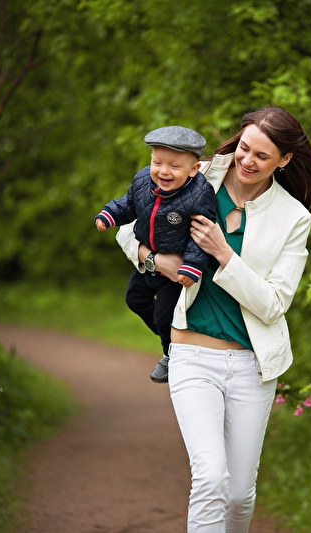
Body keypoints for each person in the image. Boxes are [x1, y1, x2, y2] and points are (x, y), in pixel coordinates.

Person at [115, 106, 311, 532]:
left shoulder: (293, 217)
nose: (247, 160)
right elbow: (128, 227)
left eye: (262, 156)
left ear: (284, 160)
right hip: (191, 355)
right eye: (244, 148)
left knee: (239, 494)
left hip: (252, 366)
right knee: (211, 478)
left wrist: (223, 253)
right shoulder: (196, 175)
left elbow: (273, 304)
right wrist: (156, 262)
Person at [95, 125, 217, 383]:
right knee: (134, 299)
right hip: (147, 264)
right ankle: (172, 337)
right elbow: (128, 204)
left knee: (163, 315)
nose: (163, 171)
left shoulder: (200, 194)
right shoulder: (142, 180)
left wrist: (192, 266)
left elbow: (201, 235)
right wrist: (110, 215)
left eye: (174, 166)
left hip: (174, 272)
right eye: (157, 162)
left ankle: (170, 354)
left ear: (194, 169)